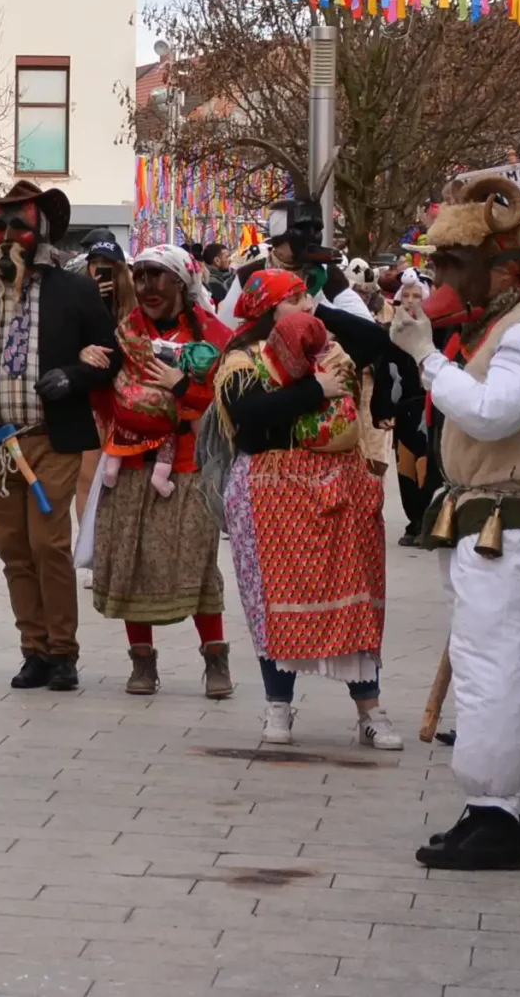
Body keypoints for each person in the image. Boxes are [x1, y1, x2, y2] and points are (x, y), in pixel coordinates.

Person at [389, 174, 520, 872]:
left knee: (497, 667)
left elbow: (493, 412)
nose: (440, 277)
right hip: (486, 522)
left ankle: (494, 811)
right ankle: (508, 811)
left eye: (453, 263)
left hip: (509, 523)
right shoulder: (501, 326)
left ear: (500, 268)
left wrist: (425, 356)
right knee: (489, 663)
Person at [207, 269, 402, 750]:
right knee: (275, 604)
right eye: (294, 299)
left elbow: (380, 341)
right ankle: (278, 705)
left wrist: (322, 313)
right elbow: (249, 415)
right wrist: (316, 390)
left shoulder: (330, 344)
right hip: (271, 490)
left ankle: (370, 710)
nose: (306, 303)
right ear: (268, 310)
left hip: (340, 487)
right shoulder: (240, 357)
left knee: (356, 596)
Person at [0, 181, 117, 691]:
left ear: (39, 231)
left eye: (17, 226)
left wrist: (72, 376)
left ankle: (63, 651)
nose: (5, 236)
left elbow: (112, 357)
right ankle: (34, 650)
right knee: (14, 551)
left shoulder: (75, 291)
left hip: (50, 438)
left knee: (48, 544)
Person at [91, 245, 232, 698]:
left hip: (190, 468)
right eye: (141, 276)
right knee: (131, 561)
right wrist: (90, 363)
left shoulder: (213, 335)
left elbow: (226, 403)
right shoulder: (123, 334)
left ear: (182, 282)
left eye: (158, 276)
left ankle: (215, 659)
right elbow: (104, 394)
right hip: (131, 464)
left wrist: (182, 387)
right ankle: (142, 662)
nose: (147, 287)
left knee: (197, 563)